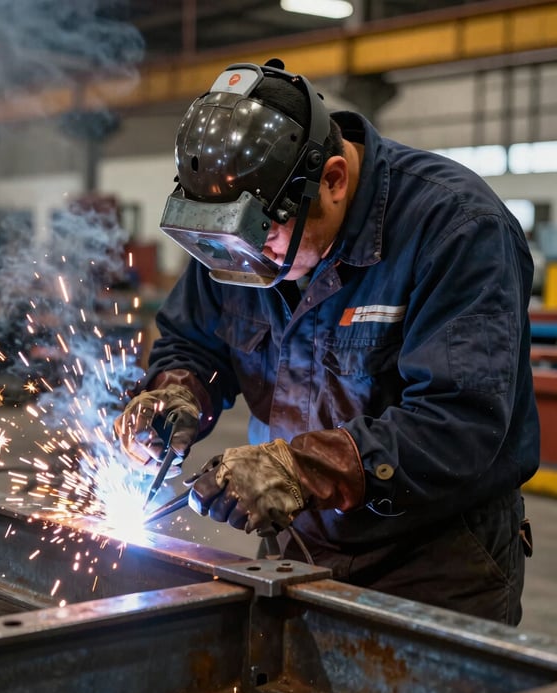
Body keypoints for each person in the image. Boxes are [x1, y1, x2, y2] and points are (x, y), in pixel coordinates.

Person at [114, 60, 539, 626]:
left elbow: (459, 424)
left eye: (263, 244)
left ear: (333, 180)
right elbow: (194, 341)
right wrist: (176, 394)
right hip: (294, 547)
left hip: (432, 565)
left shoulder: (457, 228)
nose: (246, 264)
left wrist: (300, 468)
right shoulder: (238, 234)